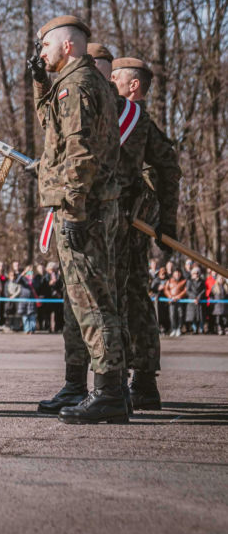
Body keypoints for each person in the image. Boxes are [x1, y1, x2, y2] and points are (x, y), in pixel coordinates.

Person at [29, 15, 125, 424]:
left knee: (93, 301)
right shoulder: (77, 83)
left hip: (83, 209)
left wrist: (72, 202)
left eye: (45, 46)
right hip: (88, 205)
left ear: (66, 45)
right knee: (88, 299)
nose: (41, 54)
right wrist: (39, 84)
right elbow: (54, 128)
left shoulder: (77, 85)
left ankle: (108, 393)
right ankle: (110, 391)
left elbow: (80, 151)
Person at [111, 56, 180, 410]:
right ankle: (138, 380)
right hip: (119, 218)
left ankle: (134, 378)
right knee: (131, 295)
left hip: (131, 220)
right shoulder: (114, 113)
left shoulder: (138, 120)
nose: (110, 82)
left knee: (128, 295)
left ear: (132, 85)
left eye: (115, 77)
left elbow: (168, 168)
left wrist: (163, 217)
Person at [163, 269, 187, 336]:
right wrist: (170, 296)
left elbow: (185, 291)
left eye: (178, 273)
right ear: (173, 274)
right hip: (171, 301)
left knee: (180, 314)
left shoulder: (184, 281)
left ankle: (179, 328)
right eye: (176, 273)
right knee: (172, 315)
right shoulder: (169, 280)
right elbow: (166, 289)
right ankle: (173, 328)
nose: (177, 275)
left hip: (179, 300)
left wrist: (178, 296)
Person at [185, 267, 205, 334]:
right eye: (194, 273)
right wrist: (194, 298)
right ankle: (194, 329)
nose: (195, 274)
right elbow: (188, 291)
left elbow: (203, 290)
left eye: (197, 273)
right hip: (192, 301)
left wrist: (198, 297)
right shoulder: (189, 281)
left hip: (200, 301)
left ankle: (201, 329)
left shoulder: (202, 281)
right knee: (193, 316)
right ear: (191, 274)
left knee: (200, 316)